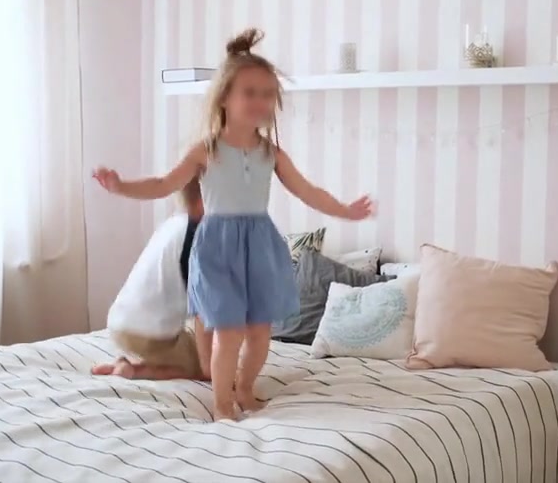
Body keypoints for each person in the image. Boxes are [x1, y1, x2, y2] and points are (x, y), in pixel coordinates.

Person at [93, 28, 373, 420]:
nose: (260, 102)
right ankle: (222, 403)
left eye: (267, 94)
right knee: (228, 331)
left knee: (259, 331)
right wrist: (121, 186)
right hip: (217, 249)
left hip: (260, 246)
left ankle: (244, 388)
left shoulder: (271, 154)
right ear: (225, 97)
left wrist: (345, 210)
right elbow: (162, 184)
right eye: (250, 92)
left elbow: (308, 192)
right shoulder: (207, 150)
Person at [91, 178, 206, 381]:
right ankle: (136, 371)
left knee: (191, 344)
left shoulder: (174, 223)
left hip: (121, 321)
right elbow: (204, 311)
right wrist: (209, 369)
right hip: (148, 333)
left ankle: (126, 361)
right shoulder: (200, 239)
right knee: (202, 366)